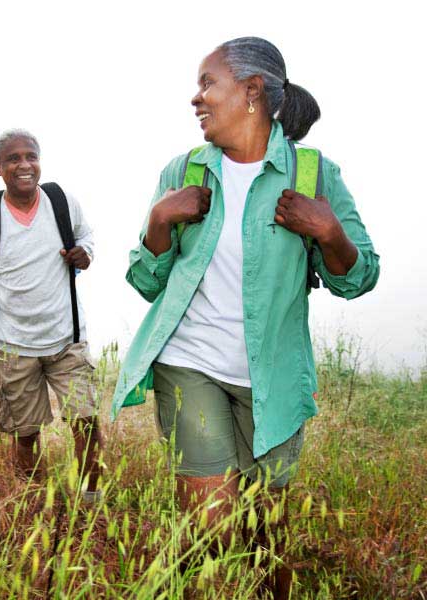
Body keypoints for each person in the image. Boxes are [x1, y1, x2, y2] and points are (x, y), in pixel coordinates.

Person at [111, 37, 379, 597]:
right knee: (210, 527)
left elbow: (358, 277)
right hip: (190, 365)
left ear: (252, 91)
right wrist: (159, 220)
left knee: (266, 534)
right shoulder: (184, 170)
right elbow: (145, 280)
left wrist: (329, 232)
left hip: (271, 379)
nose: (196, 98)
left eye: (208, 83)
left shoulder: (312, 173)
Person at [0, 129, 103, 502]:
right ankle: (33, 503)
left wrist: (85, 254)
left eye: (31, 156)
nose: (24, 165)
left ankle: (91, 503)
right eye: (14, 159)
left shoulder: (62, 201)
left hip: (67, 339)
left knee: (86, 422)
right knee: (25, 433)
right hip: (12, 346)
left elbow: (87, 238)